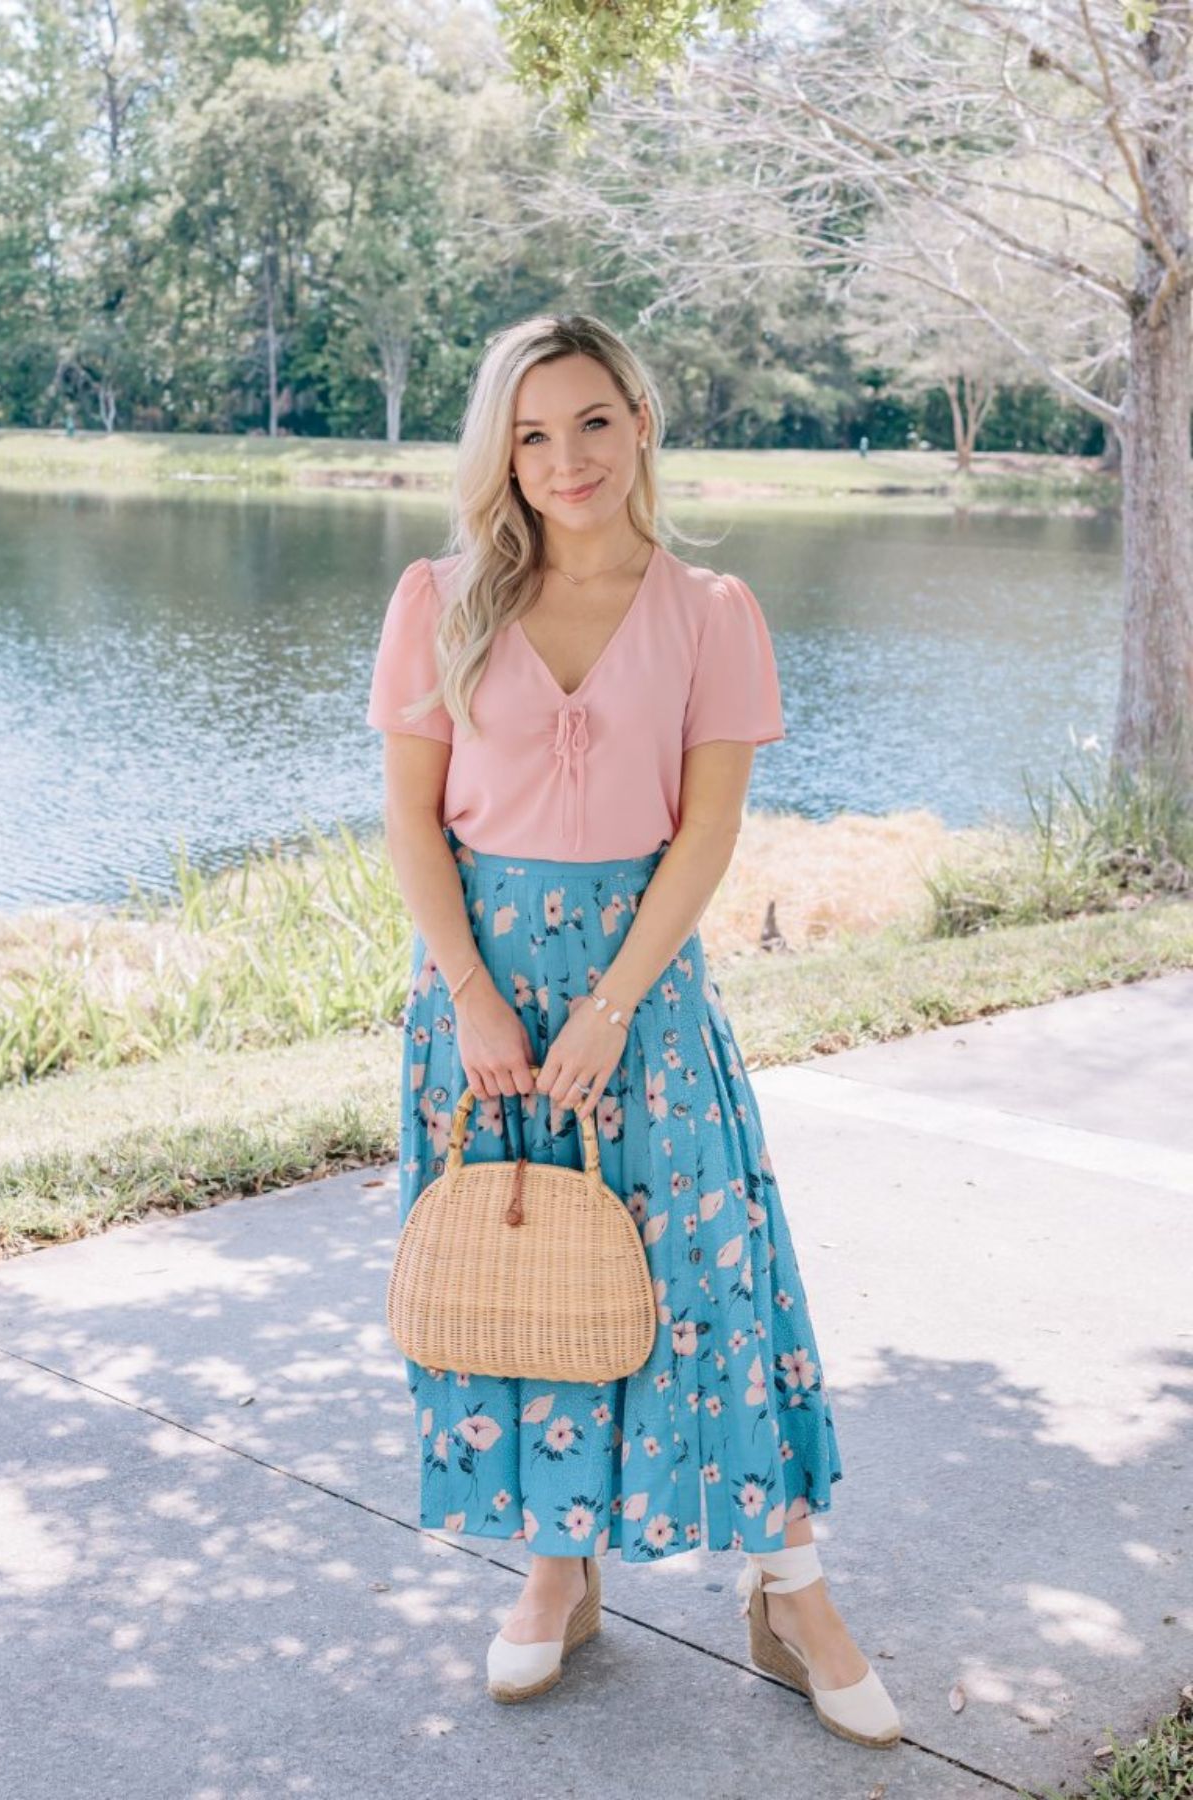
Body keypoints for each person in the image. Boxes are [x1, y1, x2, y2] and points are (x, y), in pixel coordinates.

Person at [366, 313, 900, 1748]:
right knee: (525, 1279)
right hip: (482, 1003)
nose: (564, 459)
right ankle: (556, 1569)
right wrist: (476, 998)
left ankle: (793, 1587)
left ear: (643, 421)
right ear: (502, 451)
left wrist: (610, 1005)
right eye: (531, 434)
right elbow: (409, 819)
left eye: (591, 421)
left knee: (707, 1287)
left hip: (642, 1002)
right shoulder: (439, 596)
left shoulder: (711, 609)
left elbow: (711, 828)